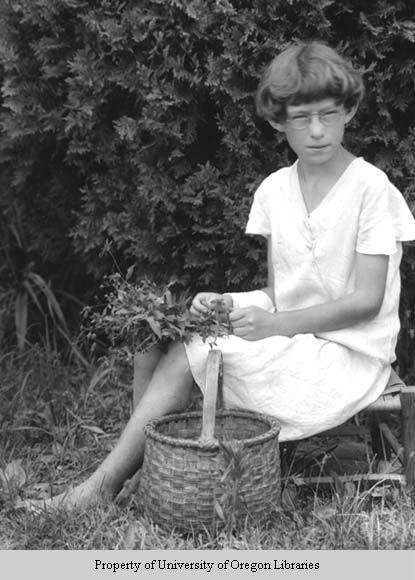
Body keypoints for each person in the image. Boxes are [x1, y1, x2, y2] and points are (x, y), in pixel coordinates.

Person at [20, 40, 415, 511]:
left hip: (350, 356)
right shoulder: (275, 191)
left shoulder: (371, 188)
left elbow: (366, 301)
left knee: (190, 352)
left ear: (349, 111)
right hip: (297, 341)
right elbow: (280, 291)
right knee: (159, 339)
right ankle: (141, 477)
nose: (316, 131)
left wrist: (273, 325)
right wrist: (230, 302)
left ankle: (103, 486)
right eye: (301, 118)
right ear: (277, 122)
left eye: (328, 114)